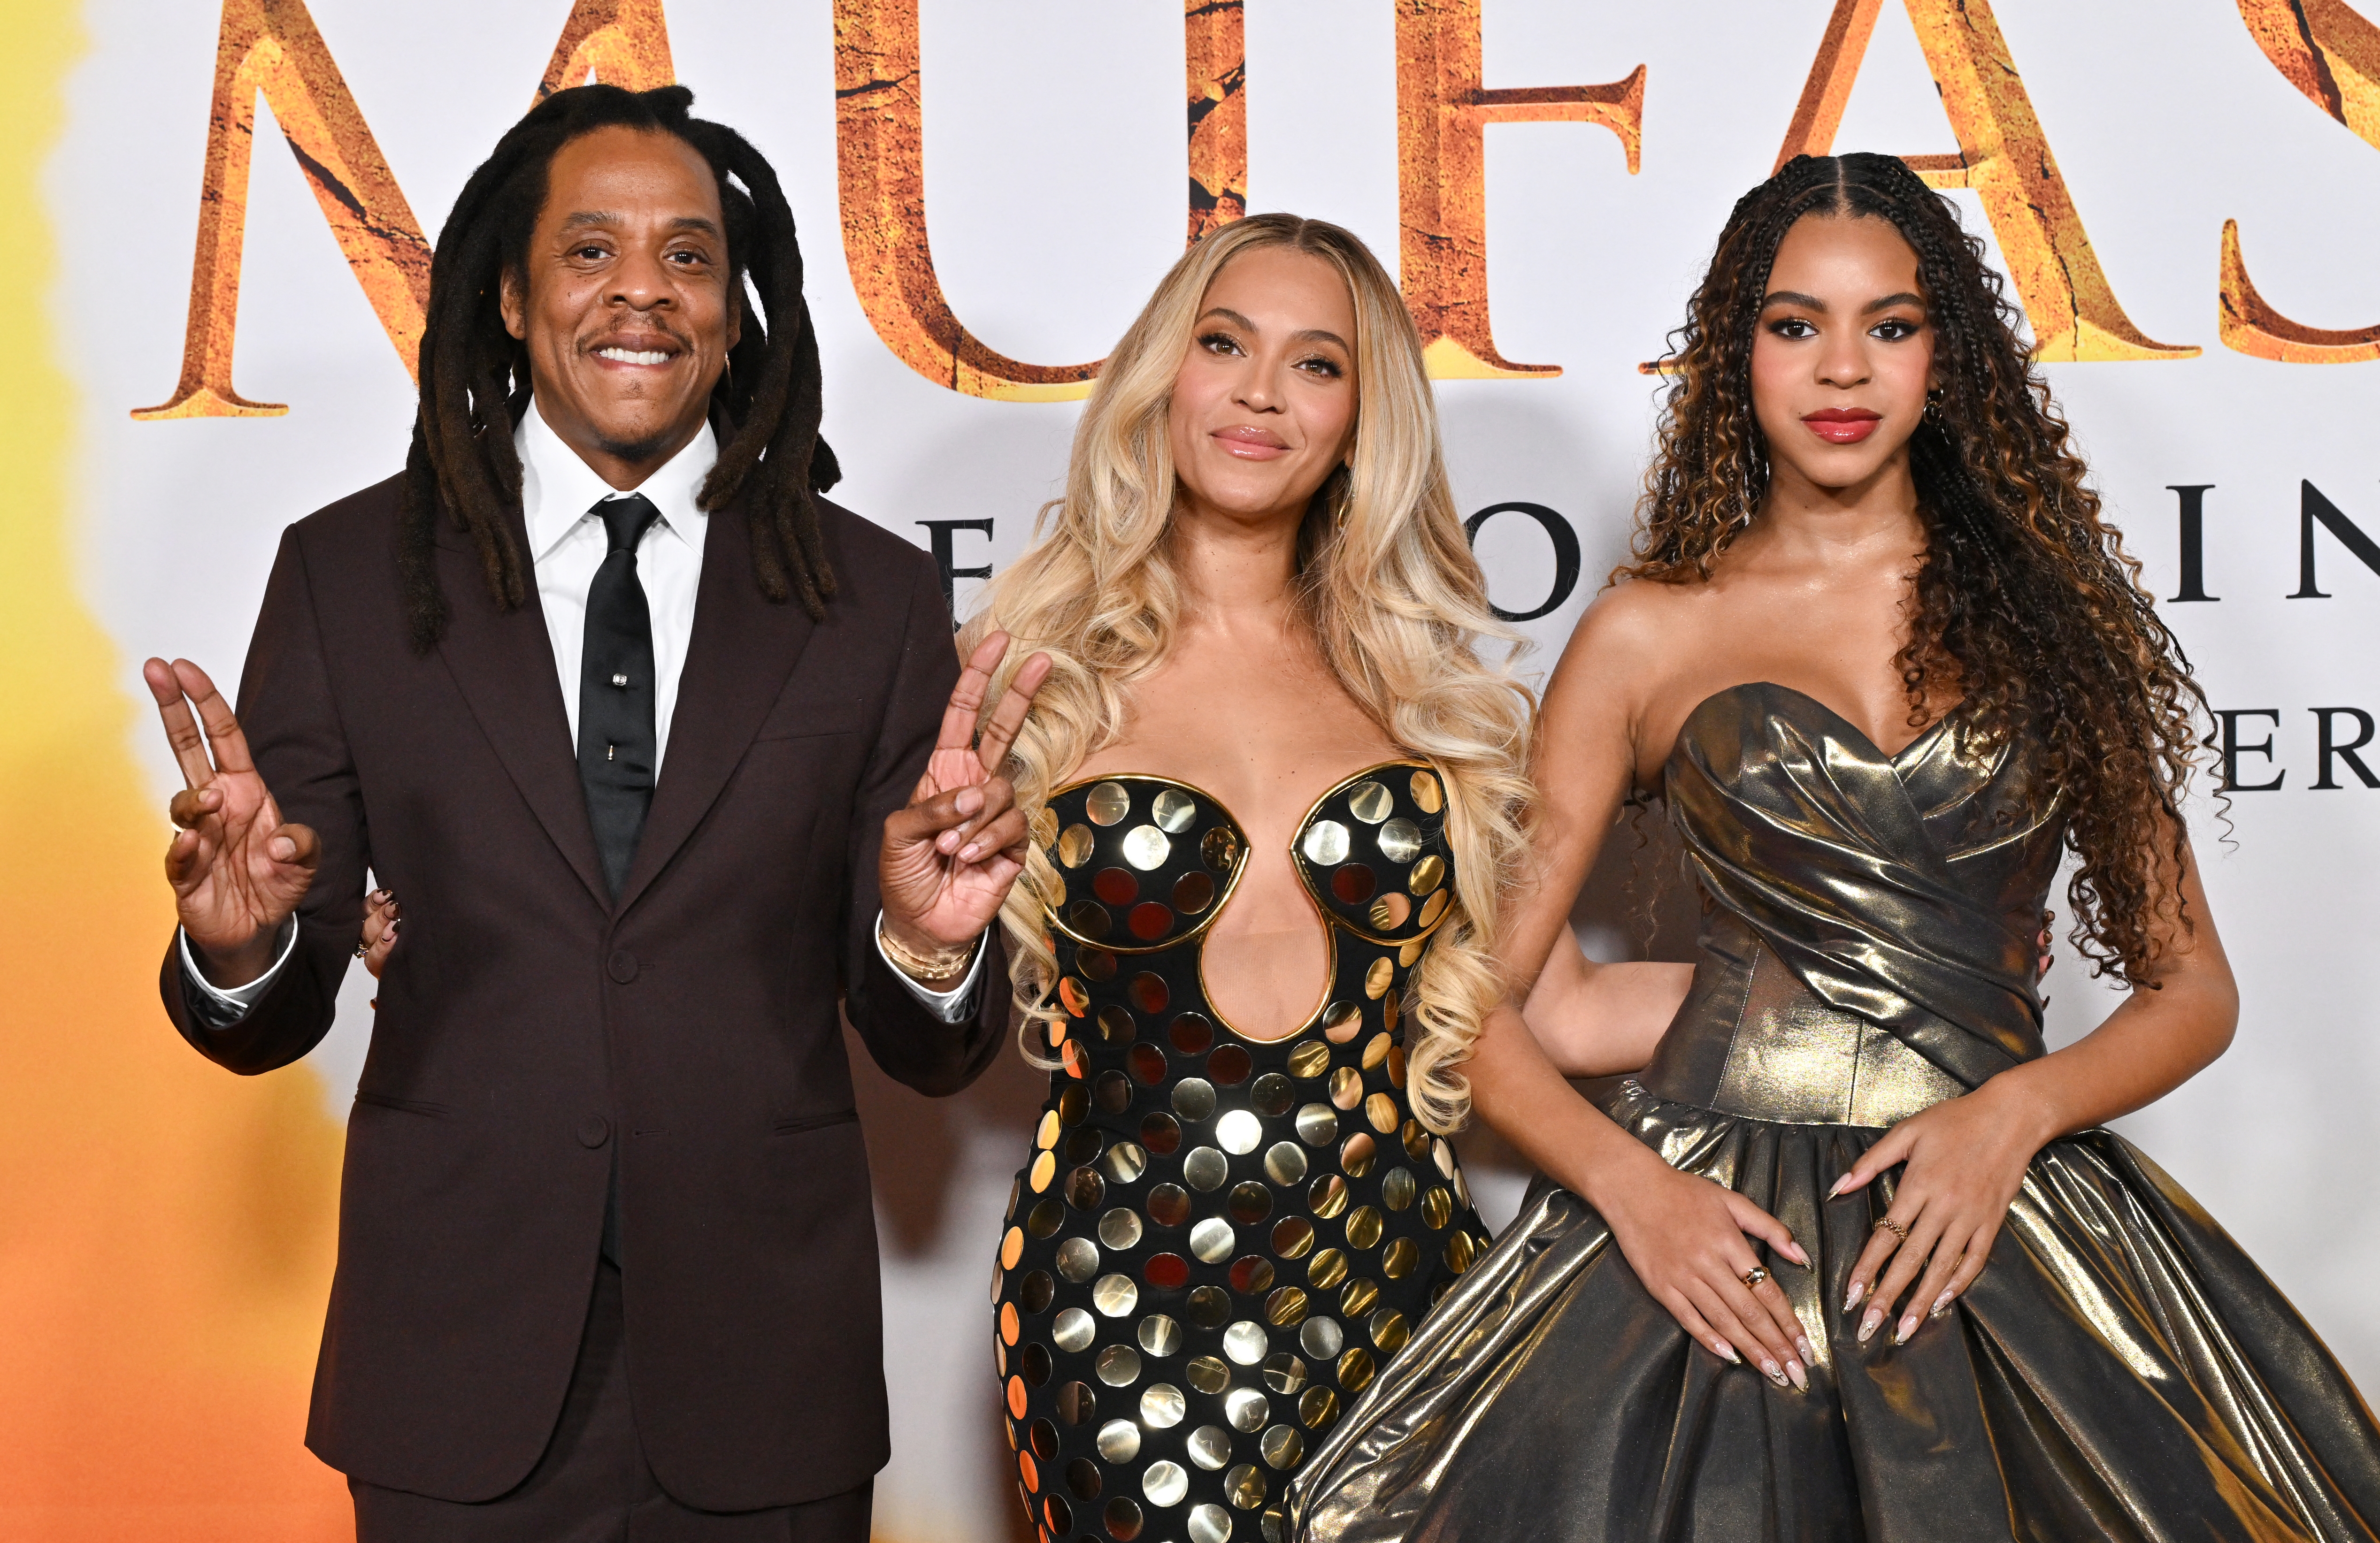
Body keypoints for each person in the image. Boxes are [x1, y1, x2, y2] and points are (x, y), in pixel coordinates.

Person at [1290, 153, 2380, 1540]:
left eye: (1892, 325)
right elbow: (1475, 1007)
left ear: (1948, 358)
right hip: (1715, 1231)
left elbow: (2194, 988)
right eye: (1795, 325)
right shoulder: (1648, 633)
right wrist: (1639, 1194)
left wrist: (2015, 1115)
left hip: (1994, 1208)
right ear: (1739, 354)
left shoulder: (2057, 624)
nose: (1842, 369)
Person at [144, 84, 1048, 1542]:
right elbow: (280, 1001)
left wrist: (928, 949)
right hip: (454, 1359)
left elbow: (926, 1053)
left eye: (690, 255)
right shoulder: (350, 576)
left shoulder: (866, 598)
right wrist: (242, 947)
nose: (644, 289)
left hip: (768, 1370)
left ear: (735, 305)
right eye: (591, 251)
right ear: (509, 294)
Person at [966, 213, 1680, 1543]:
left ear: (1364, 419)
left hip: (1405, 1287)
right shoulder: (1025, 681)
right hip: (1125, 1303)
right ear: (1161, 376)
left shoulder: (1426, 696)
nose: (1258, 393)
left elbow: (1567, 1008)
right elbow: (917, 967)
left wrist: (1863, 991)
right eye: (1223, 344)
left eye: (1317, 365)